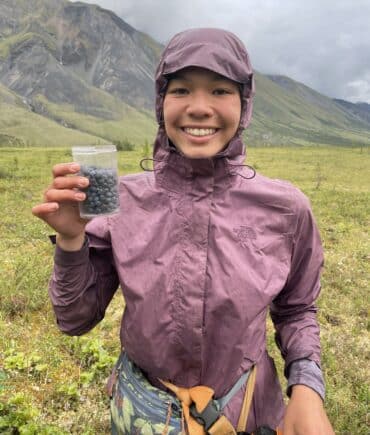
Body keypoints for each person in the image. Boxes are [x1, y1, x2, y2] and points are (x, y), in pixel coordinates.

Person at [32, 28, 335, 434]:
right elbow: (75, 320)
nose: (199, 107)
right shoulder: (121, 199)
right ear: (161, 102)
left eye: (220, 91)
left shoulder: (286, 208)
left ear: (244, 103)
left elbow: (298, 309)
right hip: (141, 411)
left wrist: (308, 388)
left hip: (245, 411)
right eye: (181, 90)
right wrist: (72, 240)